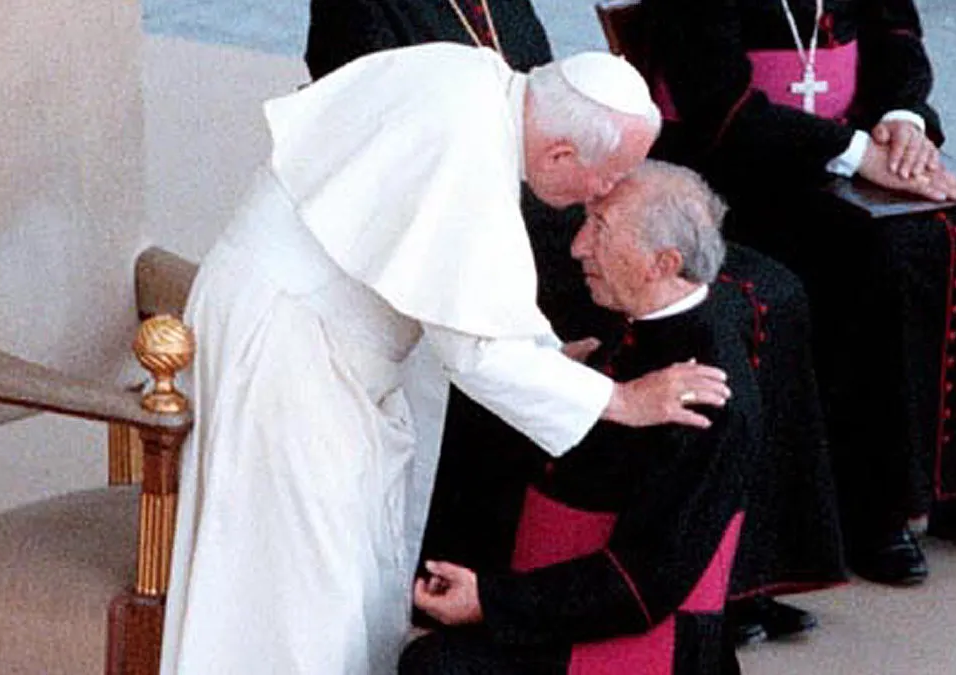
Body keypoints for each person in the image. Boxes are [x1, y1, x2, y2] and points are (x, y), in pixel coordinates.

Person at [157, 44, 738, 675]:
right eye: (604, 183)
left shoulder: (472, 82)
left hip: (314, 342)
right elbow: (477, 349)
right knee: (298, 585)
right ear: (561, 154)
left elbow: (465, 297)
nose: (602, 194)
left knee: (341, 568)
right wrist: (621, 400)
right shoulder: (467, 146)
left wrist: (544, 358)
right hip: (287, 353)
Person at [307, 0, 846, 646]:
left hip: (555, 193)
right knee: (721, 304)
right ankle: (607, 580)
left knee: (770, 293)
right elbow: (394, 141)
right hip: (486, 224)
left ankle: (724, 574)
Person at [641, 0, 956, 586]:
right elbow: (715, 104)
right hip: (742, 168)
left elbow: (897, 33)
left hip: (851, 154)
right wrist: (857, 153)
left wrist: (904, 119)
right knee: (872, 255)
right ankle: (871, 511)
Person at [399, 160, 752, 675]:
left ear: (663, 262)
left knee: (433, 666)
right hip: (563, 589)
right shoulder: (629, 322)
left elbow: (644, 581)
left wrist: (491, 601)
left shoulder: (704, 393)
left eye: (600, 230)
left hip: (634, 632)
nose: (577, 246)